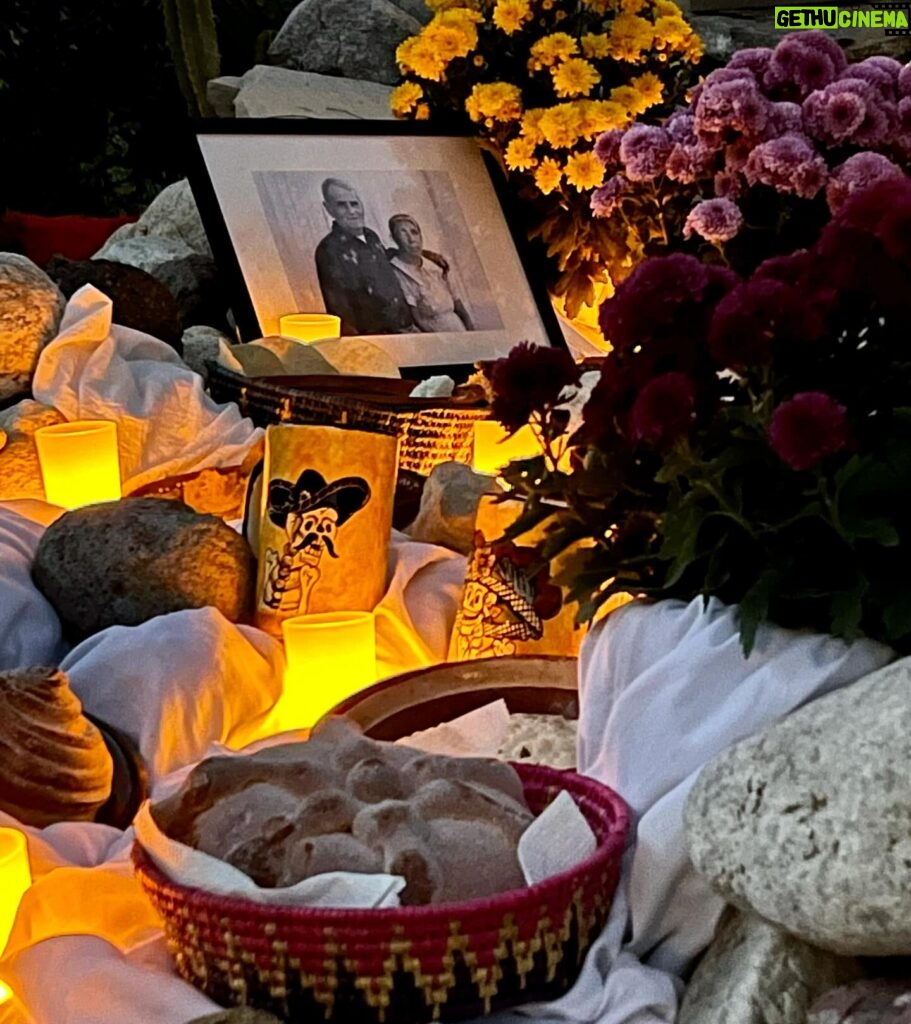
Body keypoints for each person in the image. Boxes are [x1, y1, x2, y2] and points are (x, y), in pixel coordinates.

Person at [314, 178, 414, 335]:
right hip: (377, 337)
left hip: (406, 327)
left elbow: (383, 259)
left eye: (354, 204)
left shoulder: (371, 236)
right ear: (329, 209)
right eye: (342, 205)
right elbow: (338, 308)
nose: (352, 211)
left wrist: (426, 255)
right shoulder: (328, 251)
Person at [387, 213, 475, 333]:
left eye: (414, 232)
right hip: (436, 333)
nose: (411, 239)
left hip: (458, 328)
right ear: (394, 238)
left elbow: (459, 306)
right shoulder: (398, 271)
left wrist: (471, 332)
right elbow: (417, 319)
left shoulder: (435, 265)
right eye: (403, 233)